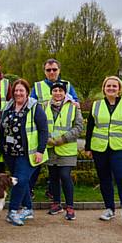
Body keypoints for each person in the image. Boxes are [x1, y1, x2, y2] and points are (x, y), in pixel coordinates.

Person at [85, 76, 122, 231]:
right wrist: (88, 147)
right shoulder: (96, 105)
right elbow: (90, 127)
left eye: (114, 86)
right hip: (99, 148)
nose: (111, 88)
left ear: (119, 89)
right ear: (103, 88)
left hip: (120, 148)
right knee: (104, 179)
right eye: (108, 86)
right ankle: (109, 209)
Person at [0, 79, 48, 226]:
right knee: (21, 181)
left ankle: (13, 211)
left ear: (27, 92)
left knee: (19, 180)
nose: (18, 93)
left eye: (21, 90)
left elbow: (44, 131)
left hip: (28, 153)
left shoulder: (35, 108)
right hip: (10, 152)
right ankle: (28, 208)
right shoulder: (8, 107)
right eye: (16, 91)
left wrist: (40, 150)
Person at [29, 58, 79, 200]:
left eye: (54, 69)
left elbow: (75, 104)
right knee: (36, 163)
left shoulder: (68, 86)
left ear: (59, 70)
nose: (51, 72)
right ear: (44, 71)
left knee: (56, 171)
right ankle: (30, 189)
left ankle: (52, 192)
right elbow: (31, 106)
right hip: (42, 133)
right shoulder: (37, 87)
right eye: (48, 70)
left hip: (62, 139)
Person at [43, 81, 83, 221]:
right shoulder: (44, 106)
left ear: (65, 93)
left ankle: (70, 206)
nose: (58, 93)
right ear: (51, 93)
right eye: (55, 90)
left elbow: (78, 127)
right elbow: (40, 124)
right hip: (51, 148)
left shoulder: (73, 107)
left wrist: (63, 139)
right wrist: (46, 138)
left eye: (60, 90)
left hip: (66, 148)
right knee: (53, 177)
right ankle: (56, 203)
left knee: (65, 176)